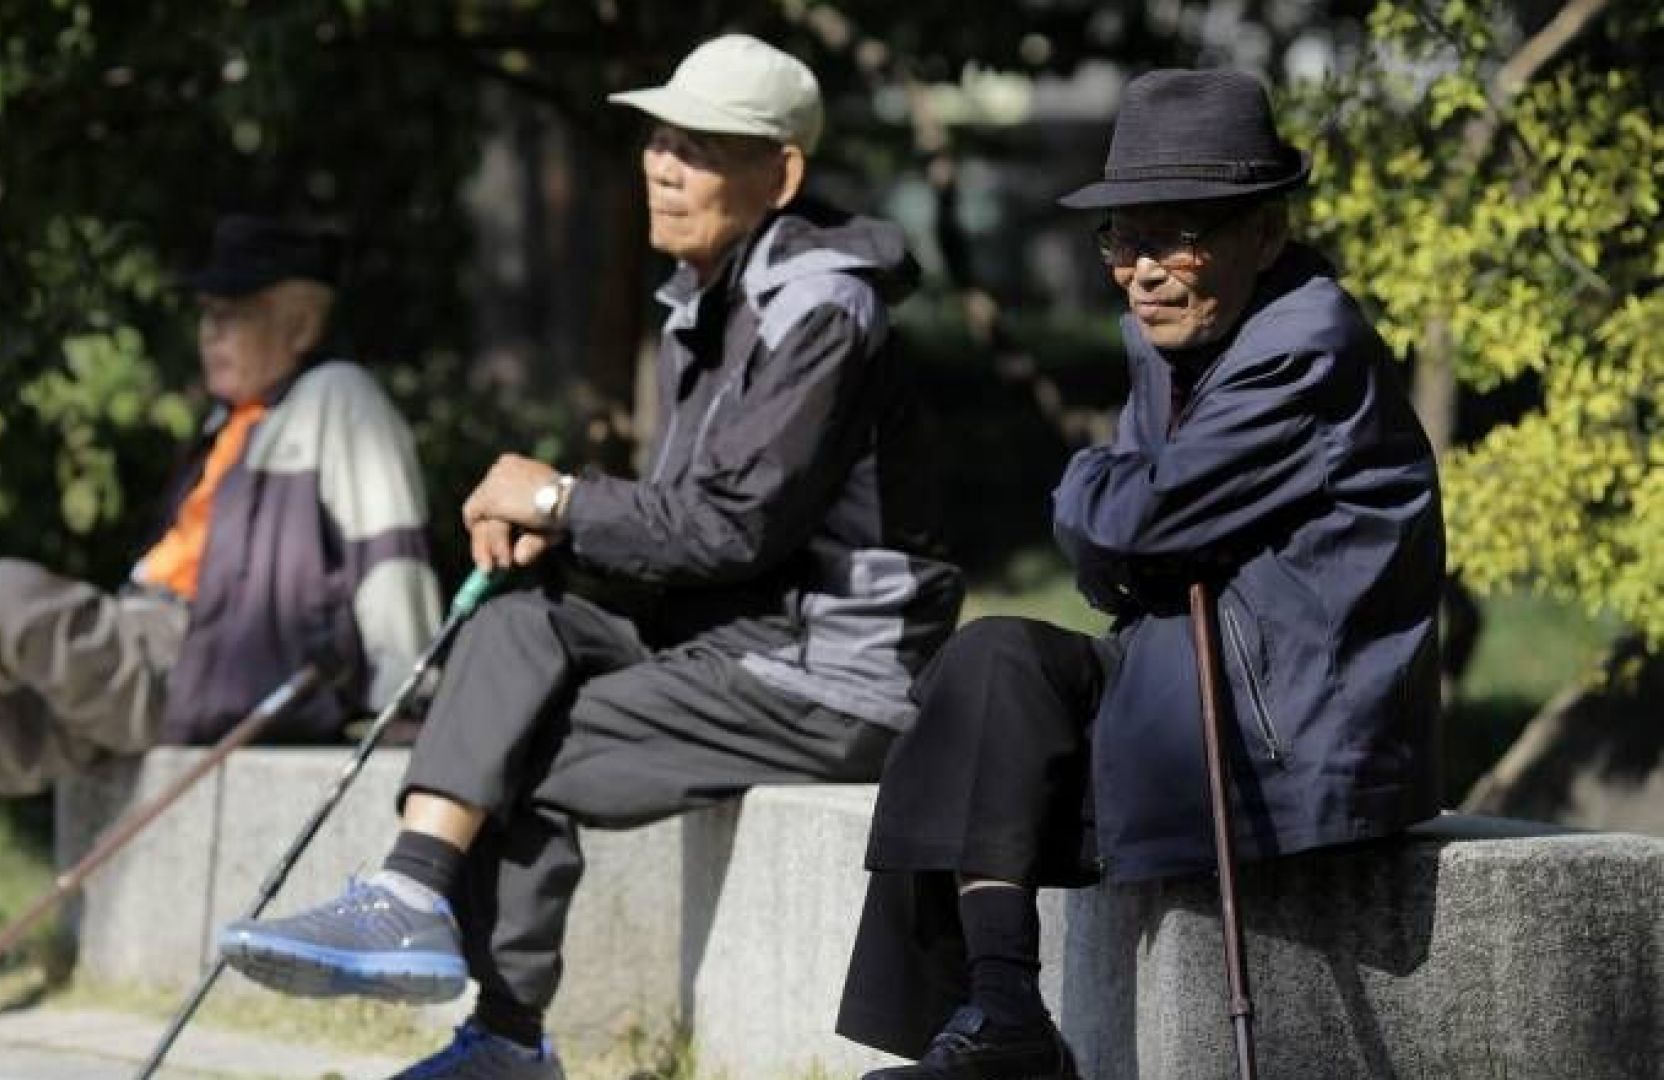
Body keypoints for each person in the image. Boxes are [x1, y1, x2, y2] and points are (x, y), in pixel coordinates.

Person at [215, 34, 964, 1080]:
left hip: (831, 676)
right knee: (518, 612)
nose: (662, 163)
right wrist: (558, 534)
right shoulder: (715, 295)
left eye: (701, 147)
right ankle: (414, 891)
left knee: (510, 749)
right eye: (660, 138)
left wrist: (562, 500)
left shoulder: (821, 309)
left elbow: (733, 527)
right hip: (736, 639)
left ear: (781, 173)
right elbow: (696, 531)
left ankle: (506, 1033)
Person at [836, 69, 1445, 1079]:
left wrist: (1099, 495)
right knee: (985, 665)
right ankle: (998, 1017)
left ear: (1266, 232)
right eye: (1124, 237)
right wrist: (1122, 522)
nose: (1144, 269)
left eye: (1181, 234)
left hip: (1284, 747)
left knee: (997, 729)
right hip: (1180, 692)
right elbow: (1117, 561)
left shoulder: (1304, 346)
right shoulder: (1188, 344)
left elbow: (1124, 526)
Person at [0, 215, 444, 1031]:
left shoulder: (338, 397)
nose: (211, 332)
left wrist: (409, 691)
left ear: (300, 323)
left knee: (2, 592)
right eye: (206, 314)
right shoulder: (227, 422)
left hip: (202, 661)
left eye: (233, 313)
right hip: (141, 649)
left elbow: (390, 547)